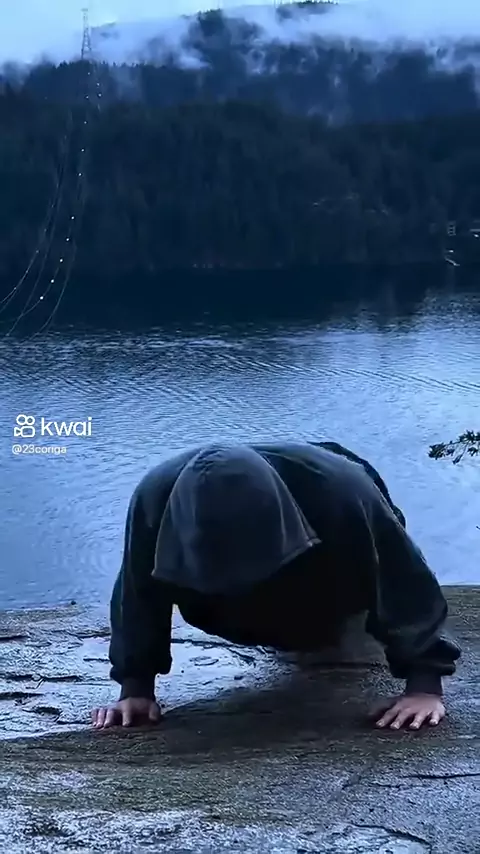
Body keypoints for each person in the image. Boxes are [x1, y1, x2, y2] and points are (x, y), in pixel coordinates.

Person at [91, 441, 461, 732]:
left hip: (325, 518)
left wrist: (424, 686)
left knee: (332, 628)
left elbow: (402, 574)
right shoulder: (154, 497)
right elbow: (136, 591)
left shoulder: (343, 492)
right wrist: (135, 688)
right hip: (245, 587)